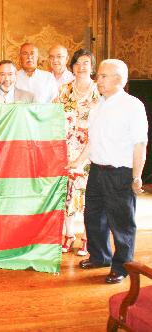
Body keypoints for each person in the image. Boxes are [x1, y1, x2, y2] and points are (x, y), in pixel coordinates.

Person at [69, 59, 148, 284]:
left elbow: (140, 144)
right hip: (97, 171)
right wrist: (77, 161)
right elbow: (93, 141)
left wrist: (136, 176)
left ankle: (122, 267)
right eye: (99, 76)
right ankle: (100, 257)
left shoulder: (133, 106)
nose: (98, 80)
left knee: (122, 223)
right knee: (93, 217)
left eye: (103, 76)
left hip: (120, 173)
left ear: (119, 79)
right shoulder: (98, 106)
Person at [55, 49, 100, 256]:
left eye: (86, 63)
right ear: (72, 66)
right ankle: (69, 234)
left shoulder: (98, 91)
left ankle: (87, 237)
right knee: (67, 193)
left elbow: (102, 126)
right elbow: (53, 118)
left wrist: (83, 155)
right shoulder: (64, 90)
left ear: (92, 67)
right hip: (66, 149)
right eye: (78, 63)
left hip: (91, 151)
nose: (82, 67)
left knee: (87, 195)